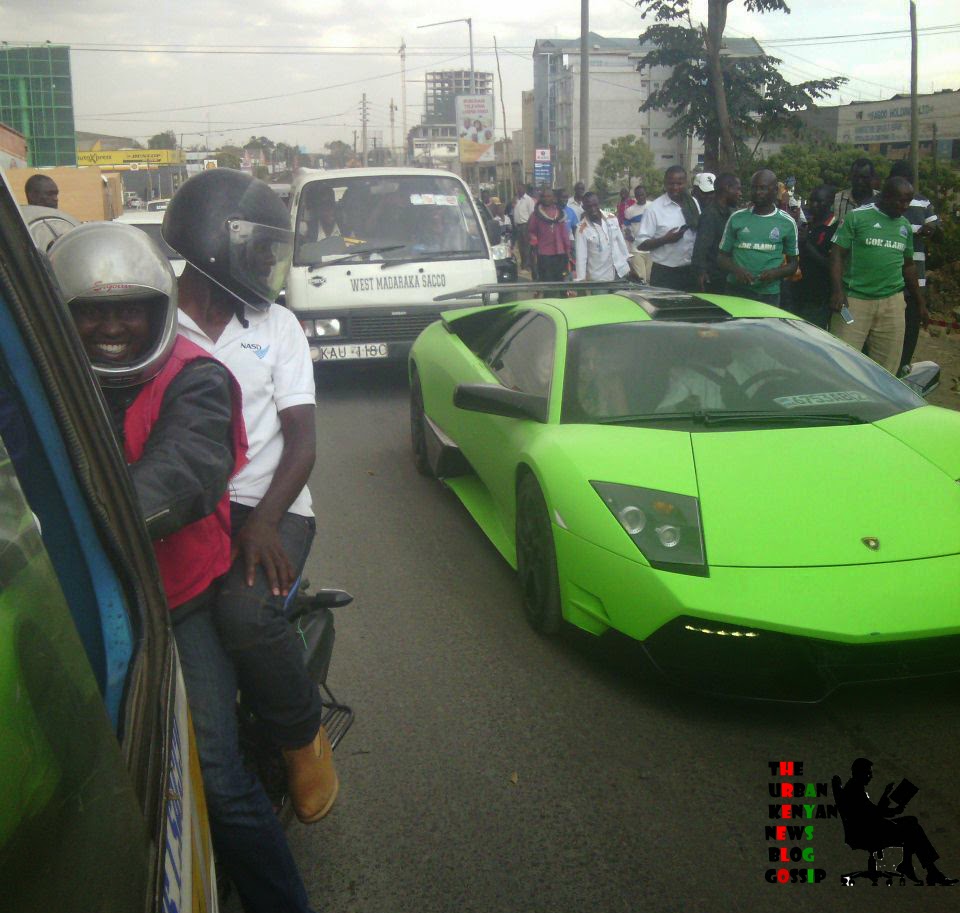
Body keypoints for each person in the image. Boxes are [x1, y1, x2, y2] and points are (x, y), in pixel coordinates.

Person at [162, 169, 332, 913]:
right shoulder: (157, 321)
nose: (267, 267)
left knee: (246, 615)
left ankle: (304, 739)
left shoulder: (278, 325)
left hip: (276, 506)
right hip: (194, 514)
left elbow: (301, 441)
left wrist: (264, 518)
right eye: (258, 251)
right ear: (212, 249)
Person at [829, 175, 923, 376]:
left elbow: (908, 266)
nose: (905, 206)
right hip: (855, 302)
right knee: (843, 363)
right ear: (885, 196)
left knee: (887, 366)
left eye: (909, 201)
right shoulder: (857, 217)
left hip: (892, 303)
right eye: (901, 201)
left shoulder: (904, 226)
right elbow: (837, 253)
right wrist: (837, 291)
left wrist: (920, 302)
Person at [839, 758, 957, 886]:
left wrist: (891, 805)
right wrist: (889, 803)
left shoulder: (854, 788)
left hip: (869, 828)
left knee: (911, 822)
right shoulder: (855, 790)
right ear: (859, 773)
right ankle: (924, 870)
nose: (871, 776)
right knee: (911, 828)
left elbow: (873, 813)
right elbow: (875, 814)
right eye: (868, 773)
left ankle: (912, 866)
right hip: (868, 833)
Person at [716, 170, 798, 307]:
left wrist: (775, 273)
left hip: (768, 295)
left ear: (775, 190)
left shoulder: (787, 222)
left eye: (763, 188)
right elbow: (721, 257)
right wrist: (737, 271)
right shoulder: (736, 218)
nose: (758, 192)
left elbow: (793, 264)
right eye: (754, 188)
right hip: (735, 291)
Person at [889, 159, 937, 374]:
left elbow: (937, 228)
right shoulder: (886, 204)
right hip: (890, 277)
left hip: (915, 275)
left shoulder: (923, 203)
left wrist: (930, 229)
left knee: (911, 325)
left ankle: (904, 366)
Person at [634, 165, 700, 291]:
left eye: (679, 183)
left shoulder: (693, 203)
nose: (675, 188)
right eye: (671, 184)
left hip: (690, 271)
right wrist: (665, 239)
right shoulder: (654, 209)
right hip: (665, 274)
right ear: (665, 184)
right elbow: (640, 244)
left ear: (685, 183)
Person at [792, 185, 838, 328]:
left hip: (818, 298)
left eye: (819, 201)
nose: (814, 205)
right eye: (811, 201)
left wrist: (806, 245)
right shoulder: (807, 226)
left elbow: (831, 264)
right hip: (798, 293)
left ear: (830, 203)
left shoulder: (835, 228)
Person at [692, 172, 741, 294]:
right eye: (738, 189)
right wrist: (701, 273)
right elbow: (701, 248)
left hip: (728, 275)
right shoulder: (710, 214)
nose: (740, 193)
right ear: (727, 188)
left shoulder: (731, 212)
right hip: (714, 278)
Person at [574, 192, 630, 282]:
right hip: (599, 278)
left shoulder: (612, 218)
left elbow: (621, 243)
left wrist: (628, 264)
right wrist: (581, 280)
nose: (593, 209)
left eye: (595, 205)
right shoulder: (581, 229)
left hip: (620, 272)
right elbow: (581, 257)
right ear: (584, 208)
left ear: (599, 204)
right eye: (589, 206)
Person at [527, 187, 571, 282]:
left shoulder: (560, 214)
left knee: (561, 280)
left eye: (548, 196)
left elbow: (564, 234)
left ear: (553, 198)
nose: (546, 198)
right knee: (547, 281)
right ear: (540, 198)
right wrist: (534, 241)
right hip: (544, 254)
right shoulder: (536, 215)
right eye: (543, 196)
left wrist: (568, 250)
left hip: (560, 253)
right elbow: (531, 232)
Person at [622, 184, 651, 282]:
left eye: (642, 194)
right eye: (638, 195)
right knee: (641, 279)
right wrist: (628, 234)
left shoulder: (653, 207)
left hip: (652, 249)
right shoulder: (630, 211)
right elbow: (625, 228)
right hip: (636, 250)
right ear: (635, 196)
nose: (641, 197)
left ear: (646, 194)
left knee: (650, 279)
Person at [513, 184, 537, 274]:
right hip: (518, 226)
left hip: (525, 225)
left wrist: (529, 226)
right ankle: (523, 264)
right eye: (517, 189)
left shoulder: (528, 200)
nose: (518, 190)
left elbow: (532, 214)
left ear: (524, 189)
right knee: (520, 247)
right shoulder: (517, 200)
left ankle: (527, 266)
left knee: (527, 247)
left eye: (520, 189)